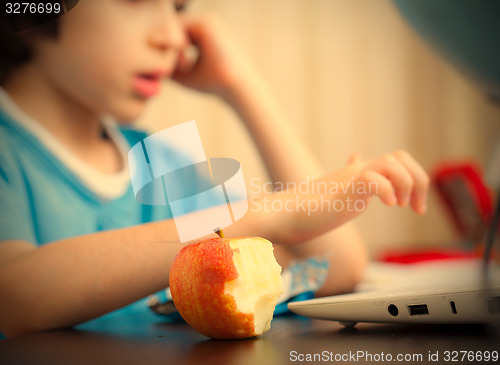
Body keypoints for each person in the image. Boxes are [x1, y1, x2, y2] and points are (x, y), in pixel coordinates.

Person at [0, 0, 429, 338]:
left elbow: (336, 264)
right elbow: (14, 295)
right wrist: (269, 214)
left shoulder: (162, 160)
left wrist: (240, 84)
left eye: (180, 7)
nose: (172, 36)